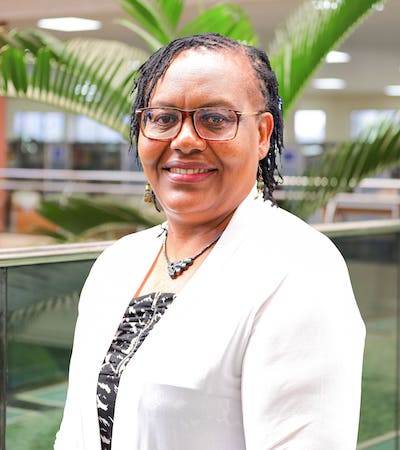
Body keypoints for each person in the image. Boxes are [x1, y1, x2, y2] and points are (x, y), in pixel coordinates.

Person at [54, 33, 365, 450]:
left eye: (216, 119)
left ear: (262, 134)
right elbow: (75, 431)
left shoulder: (300, 270)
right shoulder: (118, 262)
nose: (184, 139)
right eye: (164, 118)